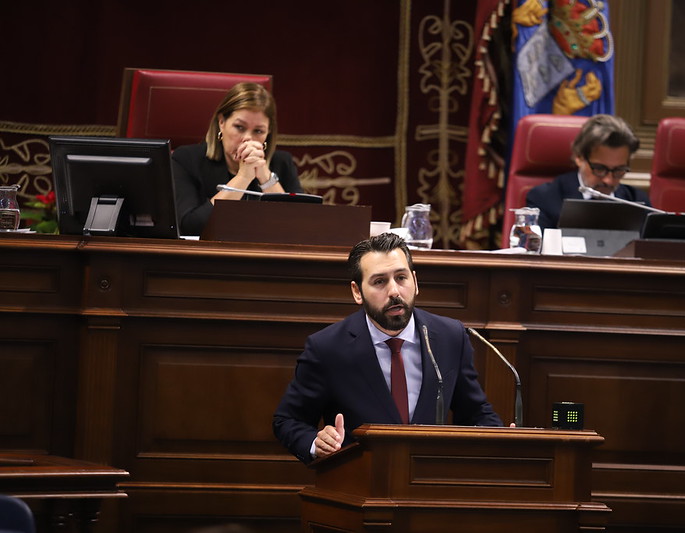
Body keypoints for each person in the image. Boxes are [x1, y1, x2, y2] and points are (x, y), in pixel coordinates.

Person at [273, 232, 503, 464]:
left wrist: (502, 439)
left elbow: (475, 412)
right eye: (379, 281)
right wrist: (316, 443)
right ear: (357, 292)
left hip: (430, 481)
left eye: (401, 278)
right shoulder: (327, 347)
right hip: (361, 483)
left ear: (415, 281)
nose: (394, 291)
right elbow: (288, 421)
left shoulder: (449, 336)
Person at [172, 82, 304, 235]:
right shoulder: (186, 159)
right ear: (222, 122)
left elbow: (298, 229)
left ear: (268, 133)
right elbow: (191, 228)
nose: (248, 138)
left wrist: (265, 177)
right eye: (239, 127)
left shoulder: (282, 163)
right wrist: (243, 177)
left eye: (258, 131)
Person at [525, 114, 650, 230]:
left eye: (619, 170)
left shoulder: (638, 202)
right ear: (579, 157)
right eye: (600, 169)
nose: (609, 180)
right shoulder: (545, 199)